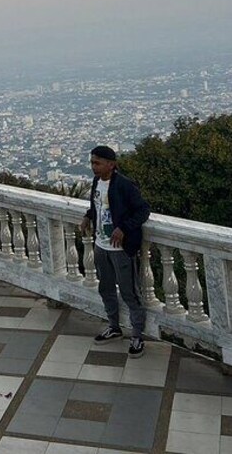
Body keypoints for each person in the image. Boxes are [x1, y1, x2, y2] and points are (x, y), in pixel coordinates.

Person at [80, 145, 151, 358]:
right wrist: (87, 216)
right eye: (92, 162)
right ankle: (114, 326)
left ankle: (137, 334)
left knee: (130, 292)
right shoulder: (96, 182)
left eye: (97, 163)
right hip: (101, 245)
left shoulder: (124, 185)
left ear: (111, 164)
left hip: (121, 249)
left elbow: (143, 210)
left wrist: (124, 228)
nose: (93, 166)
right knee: (106, 288)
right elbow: (97, 207)